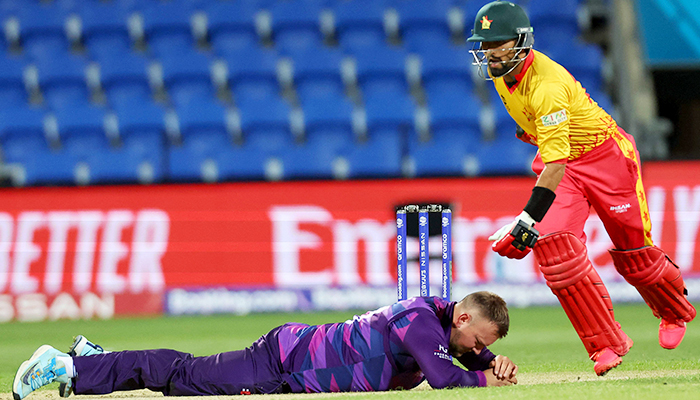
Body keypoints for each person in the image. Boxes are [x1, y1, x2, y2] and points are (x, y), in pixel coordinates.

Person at [466, 1, 695, 376]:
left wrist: (525, 218)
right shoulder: (500, 72)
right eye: (485, 45)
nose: (490, 54)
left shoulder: (548, 85)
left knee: (633, 254)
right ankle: (605, 343)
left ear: (521, 42)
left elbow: (554, 162)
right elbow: (553, 153)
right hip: (564, 161)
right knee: (554, 249)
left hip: (607, 159)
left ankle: (674, 312)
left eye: (499, 44)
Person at [13, 292, 518, 399]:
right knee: (184, 375)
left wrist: (493, 359)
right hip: (284, 364)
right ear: (464, 318)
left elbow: (465, 352)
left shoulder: (437, 315)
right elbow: (446, 376)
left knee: (188, 378)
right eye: (475, 341)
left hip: (293, 357)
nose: (473, 349)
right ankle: (67, 367)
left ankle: (92, 360)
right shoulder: (424, 326)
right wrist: (484, 375)